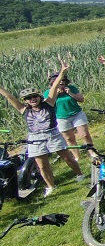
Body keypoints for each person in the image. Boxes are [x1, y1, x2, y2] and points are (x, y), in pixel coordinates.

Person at [0, 62, 85, 196]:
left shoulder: (49, 102)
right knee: (42, 165)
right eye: (28, 98)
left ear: (39, 97)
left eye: (34, 96)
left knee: (67, 157)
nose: (32, 99)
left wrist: (62, 72)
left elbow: (55, 85)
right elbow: (9, 97)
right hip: (35, 138)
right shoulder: (24, 110)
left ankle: (80, 174)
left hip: (52, 134)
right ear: (26, 101)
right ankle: (51, 186)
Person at [43, 70, 94, 163]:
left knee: (84, 135)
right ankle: (77, 156)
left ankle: (92, 152)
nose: (61, 82)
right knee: (69, 138)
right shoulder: (48, 92)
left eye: (63, 80)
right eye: (59, 81)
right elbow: (49, 105)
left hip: (76, 114)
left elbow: (81, 99)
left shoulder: (71, 88)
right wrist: (56, 94)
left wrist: (70, 93)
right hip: (61, 117)